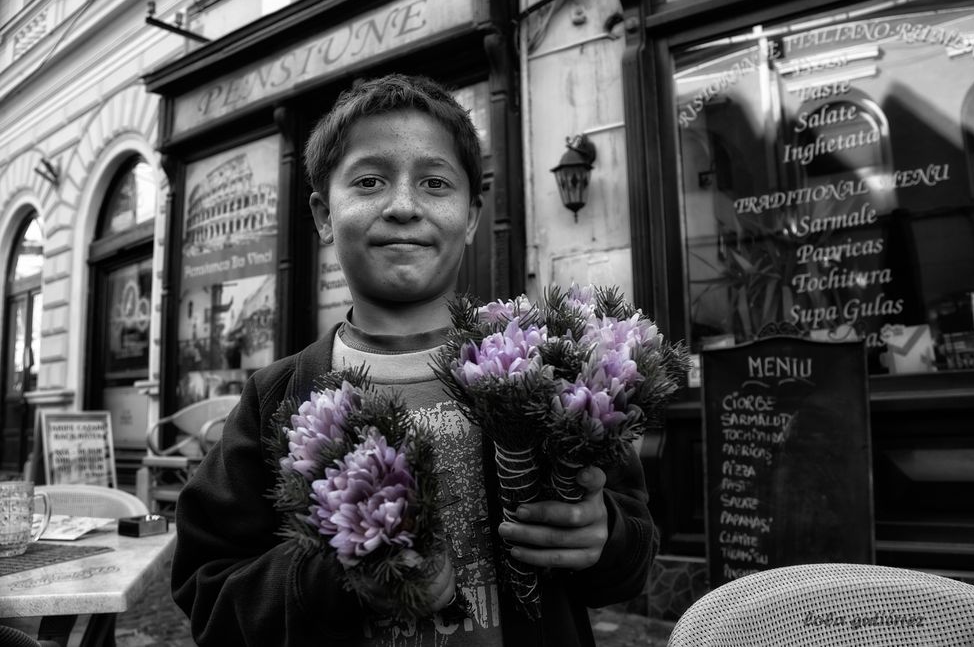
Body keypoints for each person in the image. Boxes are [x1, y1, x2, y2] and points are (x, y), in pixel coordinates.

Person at [171, 73, 658, 646]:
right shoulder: (277, 399)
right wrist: (339, 575)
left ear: (471, 215)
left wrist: (605, 537)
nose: (403, 206)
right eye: (371, 181)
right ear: (325, 215)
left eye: (434, 183)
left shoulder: (554, 373)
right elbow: (209, 589)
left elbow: (632, 555)